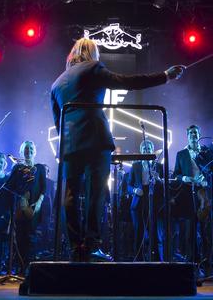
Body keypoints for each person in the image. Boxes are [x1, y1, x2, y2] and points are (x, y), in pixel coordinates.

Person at [50, 37, 185, 261]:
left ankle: (75, 248)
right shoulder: (93, 67)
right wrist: (164, 76)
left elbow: (58, 122)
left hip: (70, 143)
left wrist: (69, 139)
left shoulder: (56, 83)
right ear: (93, 53)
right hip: (95, 139)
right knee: (96, 193)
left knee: (70, 194)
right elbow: (125, 82)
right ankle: (92, 245)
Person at [171, 125, 210, 268]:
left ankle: (208, 264)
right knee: (190, 231)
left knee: (207, 231)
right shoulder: (181, 154)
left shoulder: (206, 151)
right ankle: (193, 263)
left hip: (205, 193)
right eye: (191, 133)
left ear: (199, 135)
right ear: (187, 135)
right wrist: (184, 178)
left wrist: (207, 179)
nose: (193, 135)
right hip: (188, 193)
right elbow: (176, 174)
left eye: (195, 133)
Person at [7, 141, 47, 274]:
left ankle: (29, 268)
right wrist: (21, 198)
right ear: (21, 152)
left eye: (30, 148)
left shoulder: (39, 168)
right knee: (19, 237)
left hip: (34, 207)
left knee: (31, 237)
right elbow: (10, 186)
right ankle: (20, 267)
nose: (28, 151)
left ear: (34, 151)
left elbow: (43, 188)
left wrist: (38, 204)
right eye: (25, 149)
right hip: (19, 207)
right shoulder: (17, 168)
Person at [126, 139, 163, 261]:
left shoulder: (158, 166)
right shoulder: (135, 166)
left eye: (148, 149)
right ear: (141, 151)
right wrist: (135, 190)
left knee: (154, 232)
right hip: (139, 200)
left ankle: (156, 260)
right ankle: (139, 260)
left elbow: (165, 186)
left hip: (153, 200)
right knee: (139, 233)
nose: (146, 151)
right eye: (144, 149)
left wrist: (158, 179)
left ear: (152, 151)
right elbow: (128, 185)